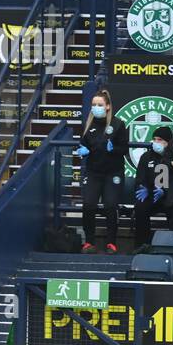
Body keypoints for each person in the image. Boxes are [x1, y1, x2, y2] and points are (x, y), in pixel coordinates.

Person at [74, 90, 126, 254]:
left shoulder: (118, 124)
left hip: (113, 172)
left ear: (108, 106)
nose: (96, 108)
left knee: (110, 205)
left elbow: (124, 149)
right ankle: (89, 241)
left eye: (100, 105)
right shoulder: (88, 125)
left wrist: (114, 149)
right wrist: (82, 150)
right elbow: (83, 144)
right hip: (93, 172)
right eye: (94, 105)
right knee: (88, 205)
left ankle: (111, 242)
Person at [133, 127, 173, 248]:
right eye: (154, 139)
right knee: (140, 207)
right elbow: (140, 178)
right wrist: (145, 188)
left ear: (168, 142)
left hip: (169, 196)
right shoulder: (146, 157)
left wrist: (165, 191)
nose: (156, 143)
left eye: (160, 140)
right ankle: (142, 245)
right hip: (151, 195)